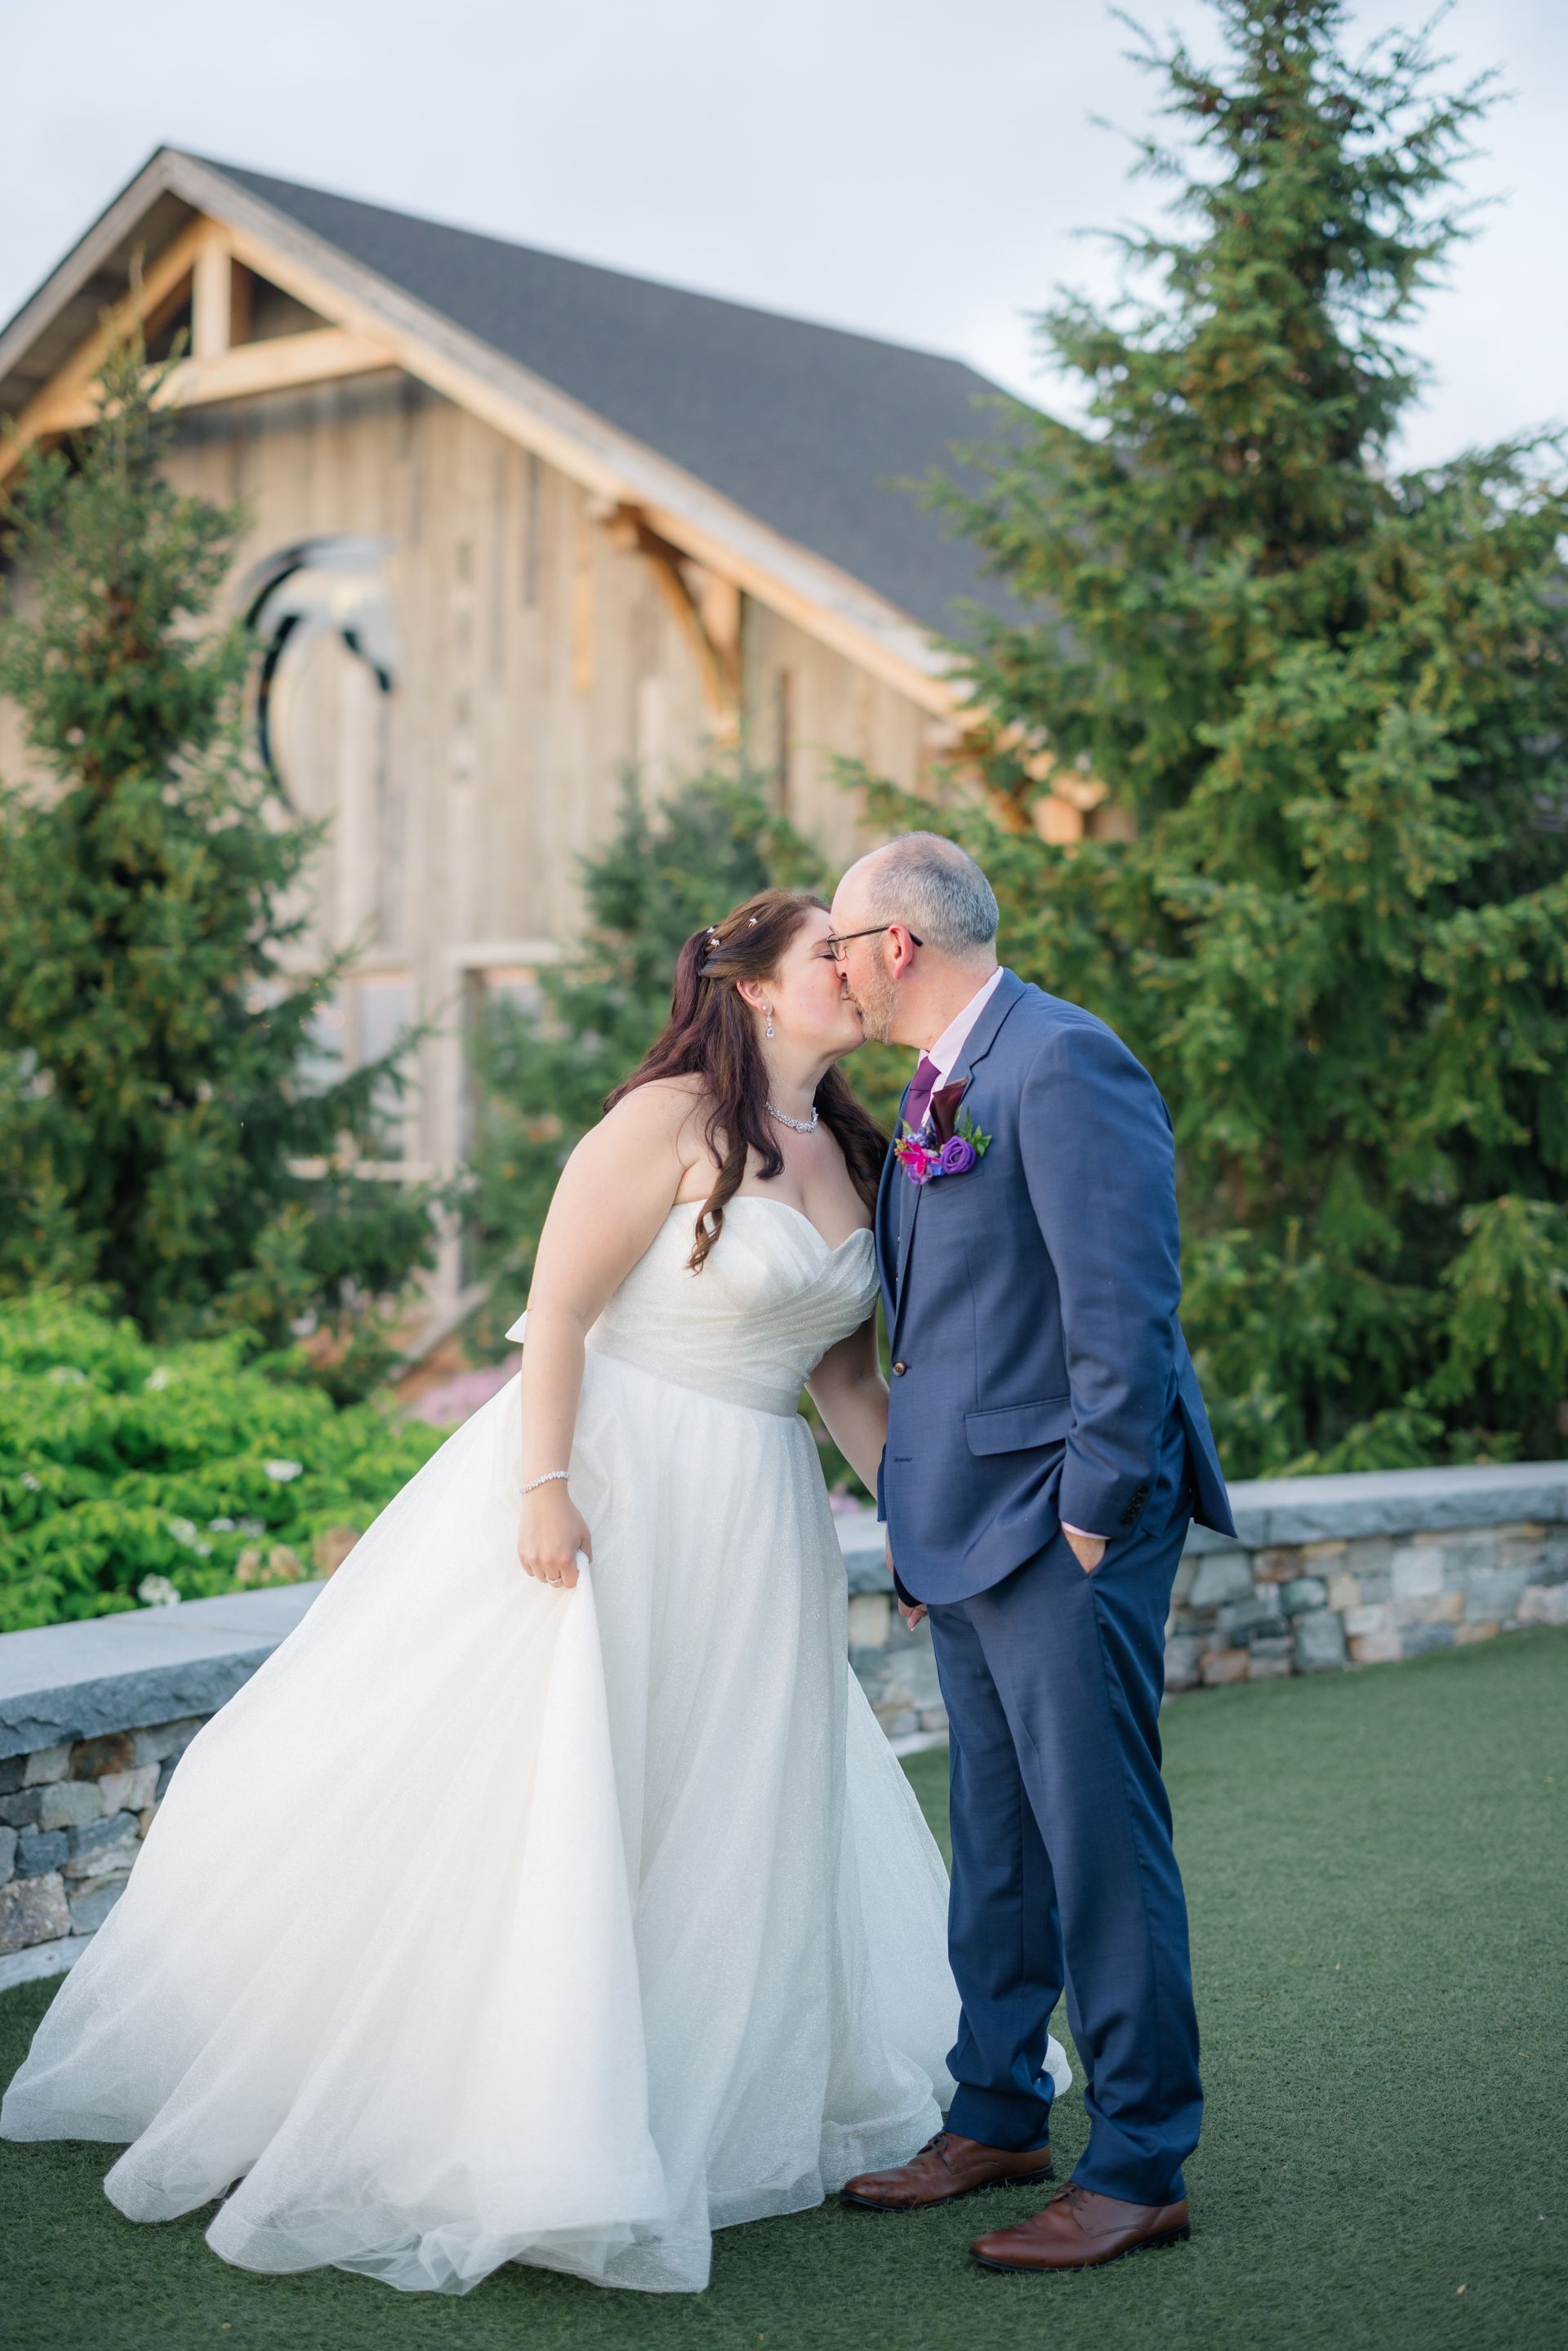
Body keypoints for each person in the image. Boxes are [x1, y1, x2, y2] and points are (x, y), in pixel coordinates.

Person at [0, 885, 1068, 2298]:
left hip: (756, 1516)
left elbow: (844, 1374)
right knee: (567, 1787)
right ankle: (529, 2112)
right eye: (828, 955)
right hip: (616, 1485)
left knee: (725, 1787)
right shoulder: (665, 1120)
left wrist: (921, 1531)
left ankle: (695, 2077)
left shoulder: (859, 1151)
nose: (859, 974)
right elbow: (555, 1312)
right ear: (752, 985)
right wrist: (542, 1486)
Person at [829, 833, 1236, 2273]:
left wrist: (1092, 1505)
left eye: (839, 942)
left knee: (1097, 1842)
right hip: (959, 1524)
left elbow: (1124, 1308)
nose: (831, 969)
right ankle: (998, 2107)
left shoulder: (1063, 1062)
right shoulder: (936, 1082)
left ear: (898, 946)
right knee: (998, 1842)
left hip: (1063, 1524)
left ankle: (1139, 2162)